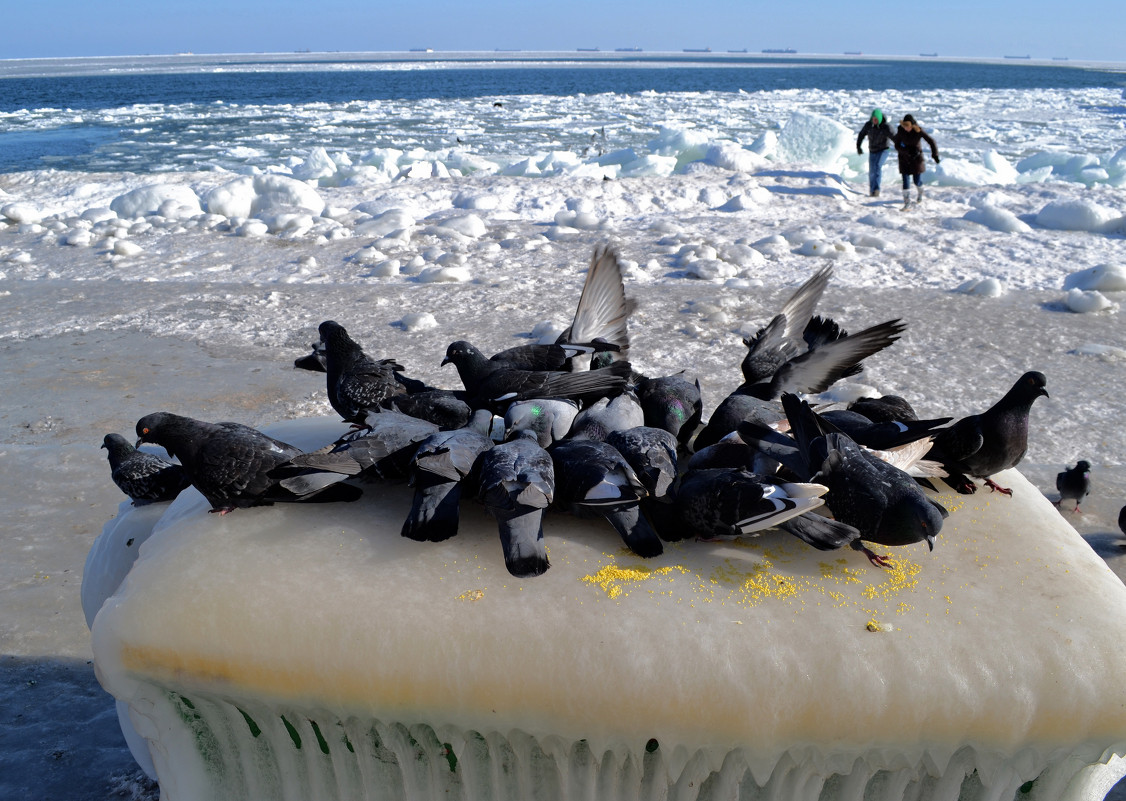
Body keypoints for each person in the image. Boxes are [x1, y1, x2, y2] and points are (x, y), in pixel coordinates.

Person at [892, 114, 940, 209]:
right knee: (905, 181)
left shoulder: (918, 131)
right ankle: (907, 203)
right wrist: (906, 151)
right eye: (904, 126)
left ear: (912, 125)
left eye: (908, 127)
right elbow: (896, 145)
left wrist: (935, 155)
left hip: (916, 160)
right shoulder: (901, 131)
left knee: (916, 181)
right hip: (904, 159)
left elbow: (931, 141)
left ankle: (920, 192)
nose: (906, 129)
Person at [856, 108, 895, 197]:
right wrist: (858, 146)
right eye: (873, 119)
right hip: (872, 150)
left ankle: (876, 189)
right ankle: (872, 190)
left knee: (877, 166)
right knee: (872, 171)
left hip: (884, 150)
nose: (874, 121)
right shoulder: (868, 125)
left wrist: (902, 148)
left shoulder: (886, 127)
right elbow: (861, 135)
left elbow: (895, 137)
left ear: (880, 119)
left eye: (876, 119)